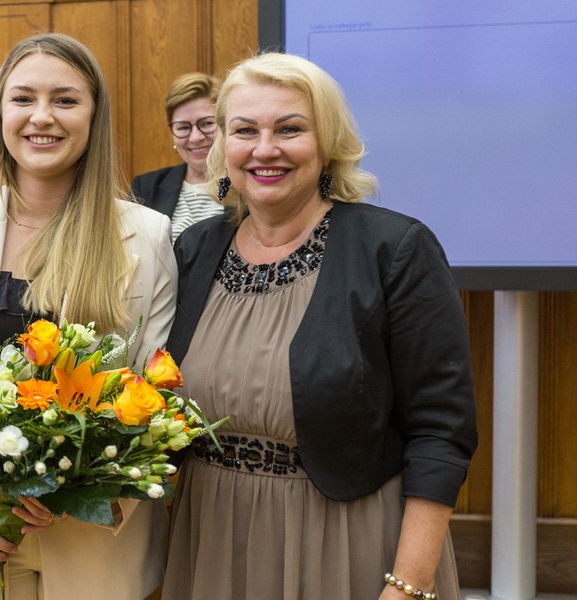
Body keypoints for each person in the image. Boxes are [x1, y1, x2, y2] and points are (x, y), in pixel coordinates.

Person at [161, 52, 478, 600]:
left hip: (346, 546)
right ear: (223, 147)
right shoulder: (193, 250)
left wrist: (408, 586)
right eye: (245, 130)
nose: (265, 149)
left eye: (290, 129)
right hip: (210, 537)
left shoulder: (393, 249)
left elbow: (440, 432)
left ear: (327, 142)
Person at [0, 33, 177, 600]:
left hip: (93, 547)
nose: (41, 117)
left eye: (66, 100)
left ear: (94, 116)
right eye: (23, 98)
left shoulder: (146, 236)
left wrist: (79, 488)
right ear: (0, 110)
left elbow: (152, 398)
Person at [131, 72, 224, 241]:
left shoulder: (244, 185)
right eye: (183, 127)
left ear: (225, 124)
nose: (196, 137)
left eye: (207, 124)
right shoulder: (146, 187)